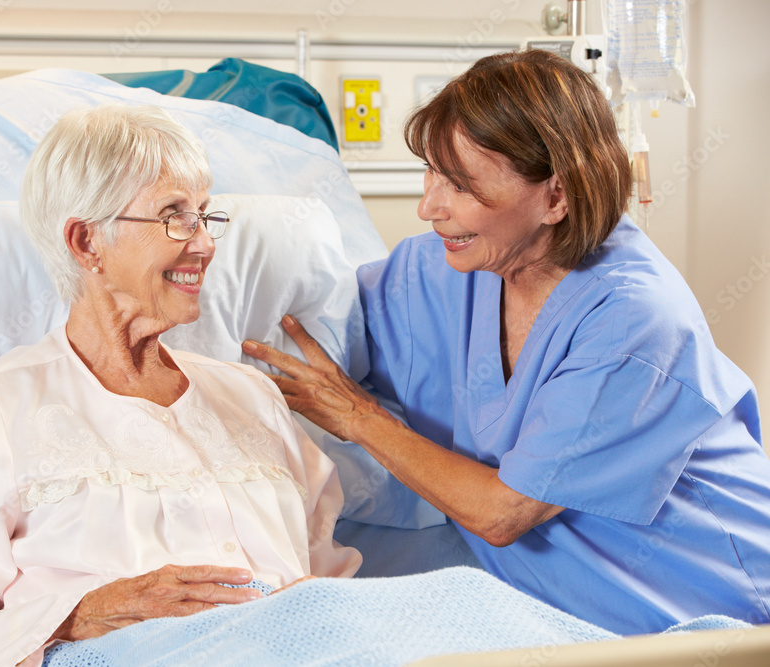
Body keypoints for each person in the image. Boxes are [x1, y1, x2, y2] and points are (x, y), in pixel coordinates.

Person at [243, 49, 770, 635]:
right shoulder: (437, 271)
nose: (427, 207)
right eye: (431, 173)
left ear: (556, 197)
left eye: (461, 185)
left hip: (710, 606)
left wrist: (358, 417)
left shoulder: (633, 320)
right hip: (559, 611)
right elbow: (318, 322)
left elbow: (501, 513)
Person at [0, 104, 360, 667]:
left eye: (205, 215)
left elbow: (336, 588)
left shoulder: (253, 397)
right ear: (86, 243)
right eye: (175, 216)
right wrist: (81, 615)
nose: (203, 244)